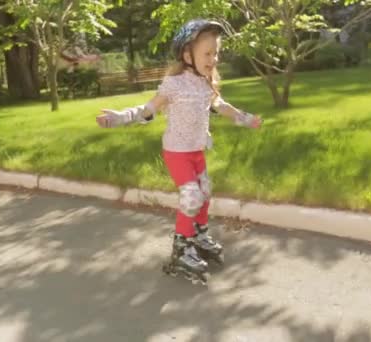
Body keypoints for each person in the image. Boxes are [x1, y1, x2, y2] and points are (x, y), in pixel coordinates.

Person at [96, 19, 262, 285]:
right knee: (192, 195)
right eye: (207, 53)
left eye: (216, 52)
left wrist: (245, 118)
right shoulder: (174, 84)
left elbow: (222, 106)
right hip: (177, 152)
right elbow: (148, 110)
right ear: (187, 55)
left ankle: (199, 235)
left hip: (196, 150)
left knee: (205, 192)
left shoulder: (205, 84)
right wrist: (119, 118)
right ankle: (181, 249)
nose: (213, 58)